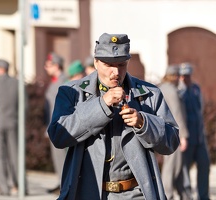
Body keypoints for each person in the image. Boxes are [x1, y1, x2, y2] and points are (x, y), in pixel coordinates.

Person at [47, 33, 180, 199]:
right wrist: (102, 105)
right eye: (108, 64)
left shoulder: (149, 94)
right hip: (88, 192)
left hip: (135, 193)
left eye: (121, 64)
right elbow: (58, 136)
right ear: (96, 62)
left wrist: (143, 123)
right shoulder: (71, 92)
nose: (115, 72)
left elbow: (172, 141)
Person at [159, 65, 192, 200]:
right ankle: (167, 195)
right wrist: (183, 136)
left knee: (177, 167)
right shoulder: (172, 91)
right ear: (175, 76)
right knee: (172, 167)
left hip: (162, 132)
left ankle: (184, 194)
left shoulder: (160, 88)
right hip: (173, 134)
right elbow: (177, 114)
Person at [178, 62, 210, 200]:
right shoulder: (179, 92)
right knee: (185, 170)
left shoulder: (196, 88)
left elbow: (200, 110)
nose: (187, 78)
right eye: (184, 75)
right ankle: (187, 196)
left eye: (188, 75)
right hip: (187, 138)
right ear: (180, 76)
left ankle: (203, 196)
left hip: (199, 138)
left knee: (204, 166)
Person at [0, 59, 19, 196]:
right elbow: (24, 106)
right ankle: (19, 185)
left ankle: (4, 187)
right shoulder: (17, 83)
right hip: (13, 122)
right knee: (15, 155)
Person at [44, 52, 68, 194]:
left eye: (48, 65)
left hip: (61, 126)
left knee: (62, 158)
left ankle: (64, 185)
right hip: (53, 125)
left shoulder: (63, 81)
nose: (46, 68)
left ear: (56, 66)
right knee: (57, 158)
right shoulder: (55, 81)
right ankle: (60, 182)